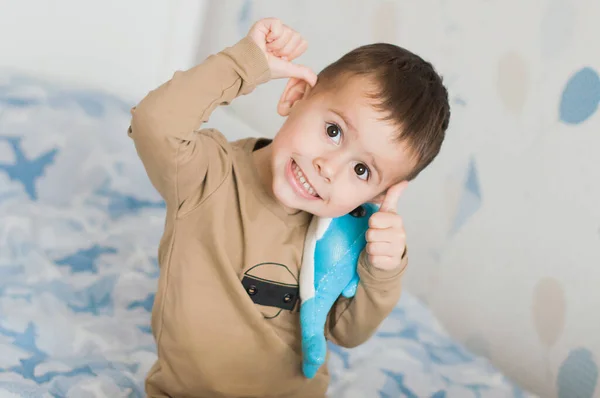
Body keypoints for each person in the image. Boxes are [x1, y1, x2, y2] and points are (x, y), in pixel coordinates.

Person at [128, 17, 450, 398]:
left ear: (379, 196)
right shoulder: (207, 175)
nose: (328, 169)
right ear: (295, 97)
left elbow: (349, 332)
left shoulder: (344, 236)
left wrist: (383, 269)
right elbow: (155, 123)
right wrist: (243, 64)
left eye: (361, 170)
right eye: (333, 131)